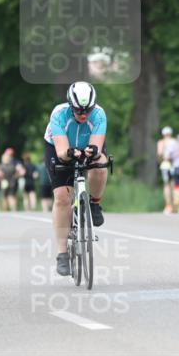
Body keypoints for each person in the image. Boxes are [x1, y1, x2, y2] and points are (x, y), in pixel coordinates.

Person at [44, 81, 108, 276]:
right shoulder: (59, 114)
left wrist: (93, 152)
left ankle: (95, 204)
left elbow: (96, 148)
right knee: (62, 198)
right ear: (70, 106)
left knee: (100, 164)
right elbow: (62, 152)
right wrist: (71, 153)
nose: (83, 115)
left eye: (87, 110)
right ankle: (62, 254)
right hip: (61, 148)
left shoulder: (99, 114)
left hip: (86, 145)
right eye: (78, 111)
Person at [157, 126, 176, 215]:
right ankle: (175, 205)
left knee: (166, 185)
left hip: (165, 165)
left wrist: (160, 160)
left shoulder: (161, 142)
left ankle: (168, 206)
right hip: (175, 165)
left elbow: (160, 153)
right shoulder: (175, 142)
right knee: (174, 185)